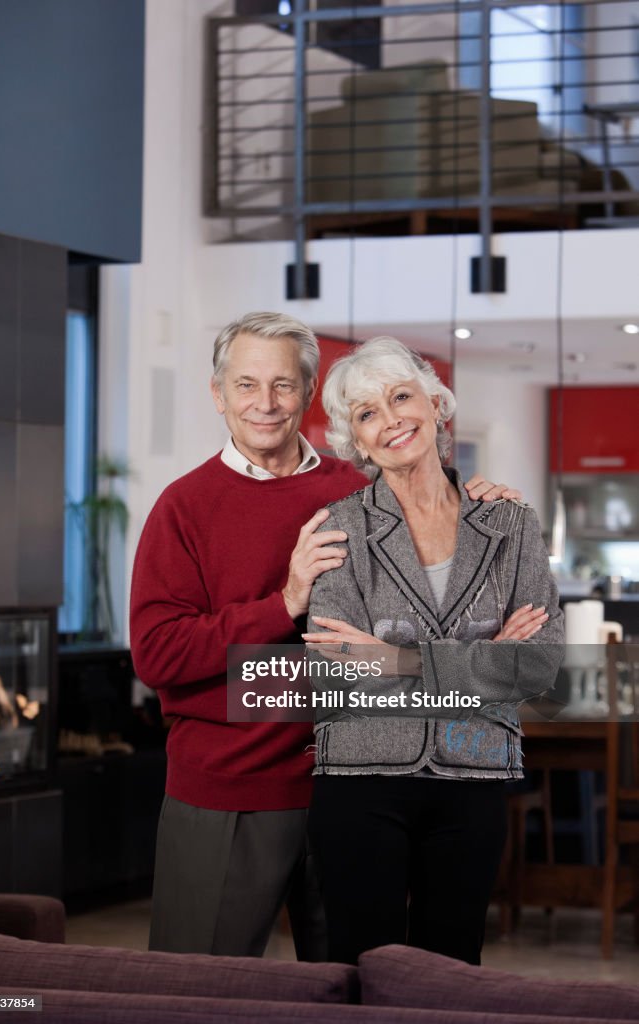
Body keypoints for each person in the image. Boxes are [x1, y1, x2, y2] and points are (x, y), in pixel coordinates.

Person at [129, 312, 523, 960]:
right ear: (218, 393)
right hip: (228, 793)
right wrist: (286, 602)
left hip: (354, 793)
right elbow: (159, 655)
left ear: (308, 393)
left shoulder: (362, 489)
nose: (265, 403)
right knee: (196, 990)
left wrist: (482, 512)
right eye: (247, 385)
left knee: (356, 992)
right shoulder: (184, 506)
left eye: (283, 385)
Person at [303, 336, 565, 966]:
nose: (391, 420)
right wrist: (483, 658)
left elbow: (536, 667)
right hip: (360, 778)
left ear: (435, 404)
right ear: (355, 440)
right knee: (360, 971)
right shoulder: (340, 526)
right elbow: (333, 678)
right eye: (367, 413)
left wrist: (399, 659)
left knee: (451, 973)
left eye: (401, 397)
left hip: (472, 773)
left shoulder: (510, 524)